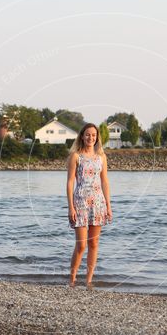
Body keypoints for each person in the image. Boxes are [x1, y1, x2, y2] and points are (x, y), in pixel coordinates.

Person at [66, 123, 112, 288]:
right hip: (80, 203)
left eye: (93, 135)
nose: (90, 138)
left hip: (98, 203)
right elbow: (70, 182)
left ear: (97, 137)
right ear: (82, 136)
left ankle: (89, 280)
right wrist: (70, 206)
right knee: (81, 244)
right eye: (87, 135)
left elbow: (105, 181)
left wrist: (108, 205)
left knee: (94, 243)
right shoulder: (76, 156)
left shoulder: (102, 157)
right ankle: (72, 279)